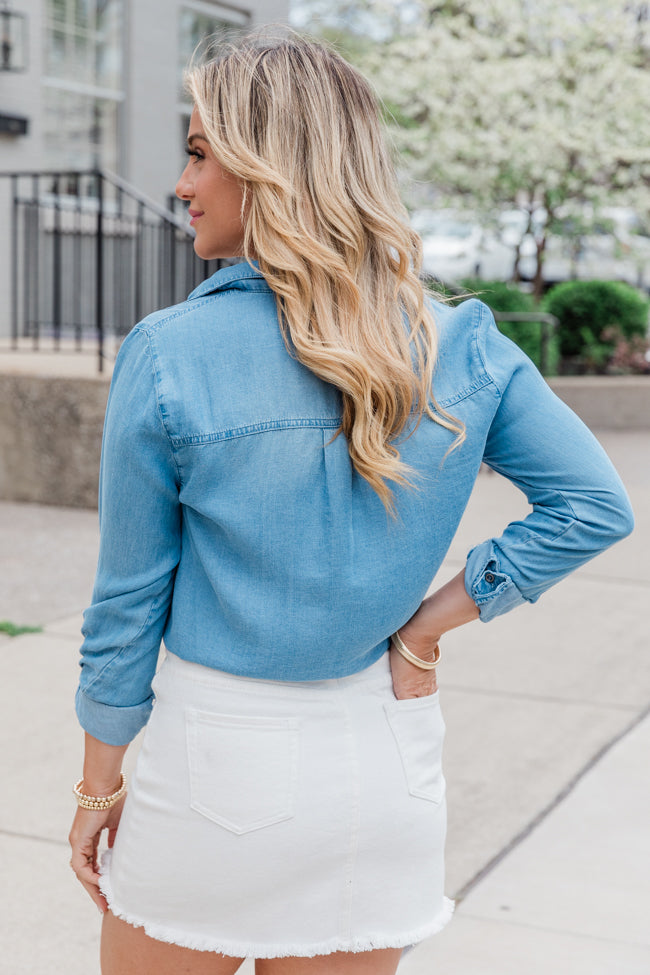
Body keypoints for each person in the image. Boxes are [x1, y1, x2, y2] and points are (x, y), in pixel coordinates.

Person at [68, 31, 633, 975]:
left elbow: (126, 606)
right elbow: (594, 506)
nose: (180, 182)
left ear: (269, 168)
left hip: (214, 766)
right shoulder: (464, 342)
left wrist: (97, 790)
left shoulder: (171, 353)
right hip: (384, 776)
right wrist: (427, 629)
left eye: (201, 152)